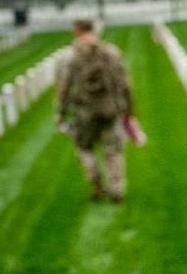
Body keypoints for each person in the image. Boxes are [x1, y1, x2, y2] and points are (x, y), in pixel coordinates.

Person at [56, 18, 133, 203]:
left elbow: (64, 87)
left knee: (85, 148)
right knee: (113, 150)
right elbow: (125, 84)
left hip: (84, 111)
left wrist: (61, 111)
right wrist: (129, 109)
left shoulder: (70, 56)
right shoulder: (111, 52)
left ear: (77, 31)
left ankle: (96, 182)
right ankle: (116, 190)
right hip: (110, 109)